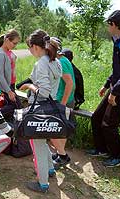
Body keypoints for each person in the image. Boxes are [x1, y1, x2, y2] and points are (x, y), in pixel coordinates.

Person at [87, 10, 120, 167]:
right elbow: (119, 69)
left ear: (114, 24)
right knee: (96, 117)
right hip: (116, 87)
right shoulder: (118, 40)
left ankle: (119, 156)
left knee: (109, 124)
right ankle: (101, 149)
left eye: (109, 24)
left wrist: (114, 93)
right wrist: (106, 84)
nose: (108, 27)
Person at [18, 30, 62, 193]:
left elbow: (44, 92)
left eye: (30, 47)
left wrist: (29, 86)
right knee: (43, 143)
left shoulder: (42, 63)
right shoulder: (55, 61)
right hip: (51, 108)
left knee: (38, 147)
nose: (29, 51)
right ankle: (50, 170)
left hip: (39, 110)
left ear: (36, 47)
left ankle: (42, 183)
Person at [50, 38, 76, 170]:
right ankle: (60, 154)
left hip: (63, 100)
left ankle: (63, 155)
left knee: (52, 129)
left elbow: (70, 83)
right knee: (61, 130)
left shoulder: (61, 61)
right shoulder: (61, 60)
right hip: (63, 99)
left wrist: (63, 104)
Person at [0, 29, 22, 121]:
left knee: (13, 107)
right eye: (14, 43)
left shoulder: (8, 51)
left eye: (16, 43)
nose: (15, 46)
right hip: (6, 86)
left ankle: (7, 123)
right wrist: (9, 91)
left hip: (11, 84)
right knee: (17, 107)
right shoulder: (0, 54)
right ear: (6, 40)